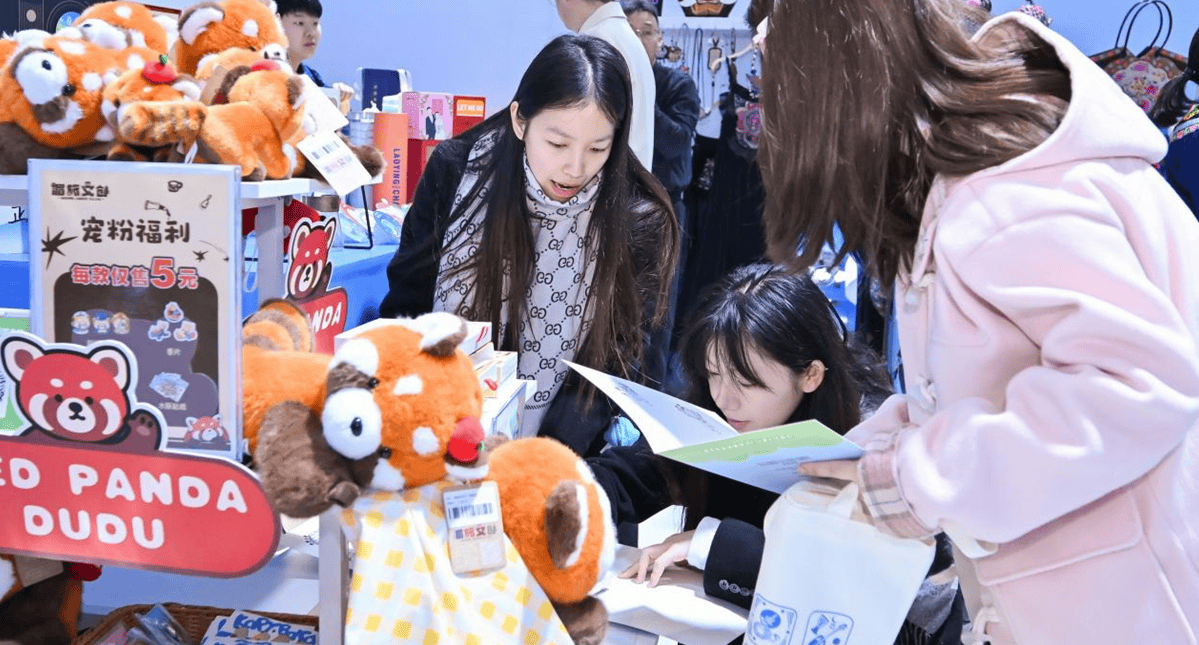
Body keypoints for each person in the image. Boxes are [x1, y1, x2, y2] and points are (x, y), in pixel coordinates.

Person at [756, 0, 1199, 642]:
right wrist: (882, 447)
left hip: (1133, 606)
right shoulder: (974, 183)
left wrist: (917, 480)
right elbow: (994, 379)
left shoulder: (1004, 197)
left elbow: (1135, 387)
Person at [619, 264, 964, 644]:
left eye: (746, 381)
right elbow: (639, 473)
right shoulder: (721, 411)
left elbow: (846, 584)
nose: (724, 398)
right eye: (713, 373)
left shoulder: (874, 443)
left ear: (810, 375)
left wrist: (709, 544)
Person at [379, 34, 679, 455]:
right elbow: (406, 305)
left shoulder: (637, 216)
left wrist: (547, 457)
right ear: (520, 121)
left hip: (567, 455)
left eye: (598, 148)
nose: (575, 168)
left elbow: (627, 362)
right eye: (557, 144)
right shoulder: (456, 174)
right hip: (439, 434)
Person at [622, 0, 700, 391]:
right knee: (615, 307)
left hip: (665, 211)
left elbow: (676, 143)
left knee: (657, 314)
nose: (639, 39)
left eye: (647, 31)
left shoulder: (678, 86)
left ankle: (649, 402)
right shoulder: (608, 82)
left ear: (660, 39)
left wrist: (641, 92)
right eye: (631, 32)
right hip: (618, 207)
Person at [555, 0, 656, 167]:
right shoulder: (623, 35)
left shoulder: (595, 42)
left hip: (604, 177)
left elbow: (584, 134)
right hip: (629, 176)